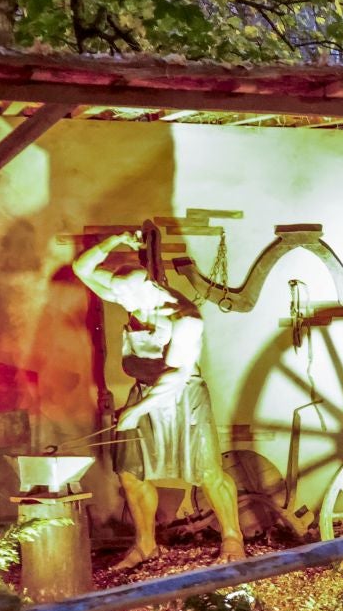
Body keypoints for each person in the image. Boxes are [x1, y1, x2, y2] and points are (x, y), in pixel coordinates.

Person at [71, 229, 243, 570]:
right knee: (131, 473)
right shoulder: (129, 295)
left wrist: (136, 410)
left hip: (183, 397)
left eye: (126, 298)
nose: (122, 303)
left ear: (147, 287)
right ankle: (145, 544)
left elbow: (177, 375)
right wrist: (116, 240)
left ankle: (233, 538)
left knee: (208, 471)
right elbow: (82, 269)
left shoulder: (184, 319)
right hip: (145, 393)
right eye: (117, 296)